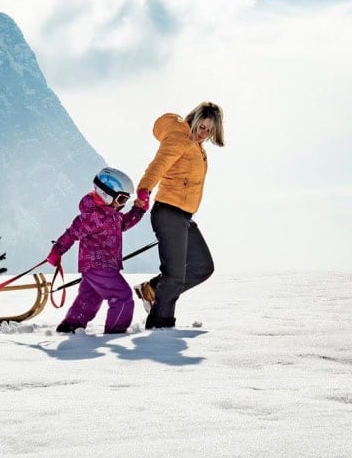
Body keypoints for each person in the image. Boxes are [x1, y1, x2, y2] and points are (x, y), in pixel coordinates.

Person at [134, 101, 225, 329]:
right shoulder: (179, 137)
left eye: (210, 130)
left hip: (183, 216)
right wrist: (144, 189)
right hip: (168, 212)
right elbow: (159, 164)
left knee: (202, 266)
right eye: (202, 126)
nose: (204, 133)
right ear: (193, 119)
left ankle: (152, 289)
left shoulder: (196, 145)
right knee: (174, 276)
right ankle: (161, 327)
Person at [47, 167, 148, 335]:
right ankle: (116, 332)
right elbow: (72, 233)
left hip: (99, 266)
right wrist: (57, 251)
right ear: (106, 194)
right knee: (122, 296)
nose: (123, 204)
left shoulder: (111, 213)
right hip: (99, 265)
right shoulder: (92, 216)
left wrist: (140, 209)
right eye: (122, 199)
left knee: (90, 298)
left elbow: (124, 223)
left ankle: (71, 325)